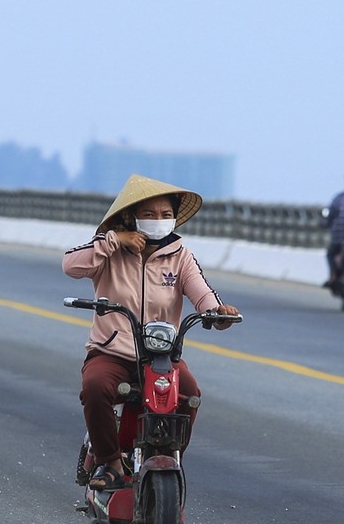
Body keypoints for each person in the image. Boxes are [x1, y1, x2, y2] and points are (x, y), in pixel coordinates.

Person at [63, 174, 240, 491]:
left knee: (190, 395)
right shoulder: (108, 249)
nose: (159, 221)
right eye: (149, 214)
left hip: (161, 356)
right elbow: (71, 265)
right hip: (111, 350)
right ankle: (109, 462)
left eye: (165, 214)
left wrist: (218, 311)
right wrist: (115, 240)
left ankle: (169, 457)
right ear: (131, 217)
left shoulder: (180, 255)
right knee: (95, 387)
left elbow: (201, 294)